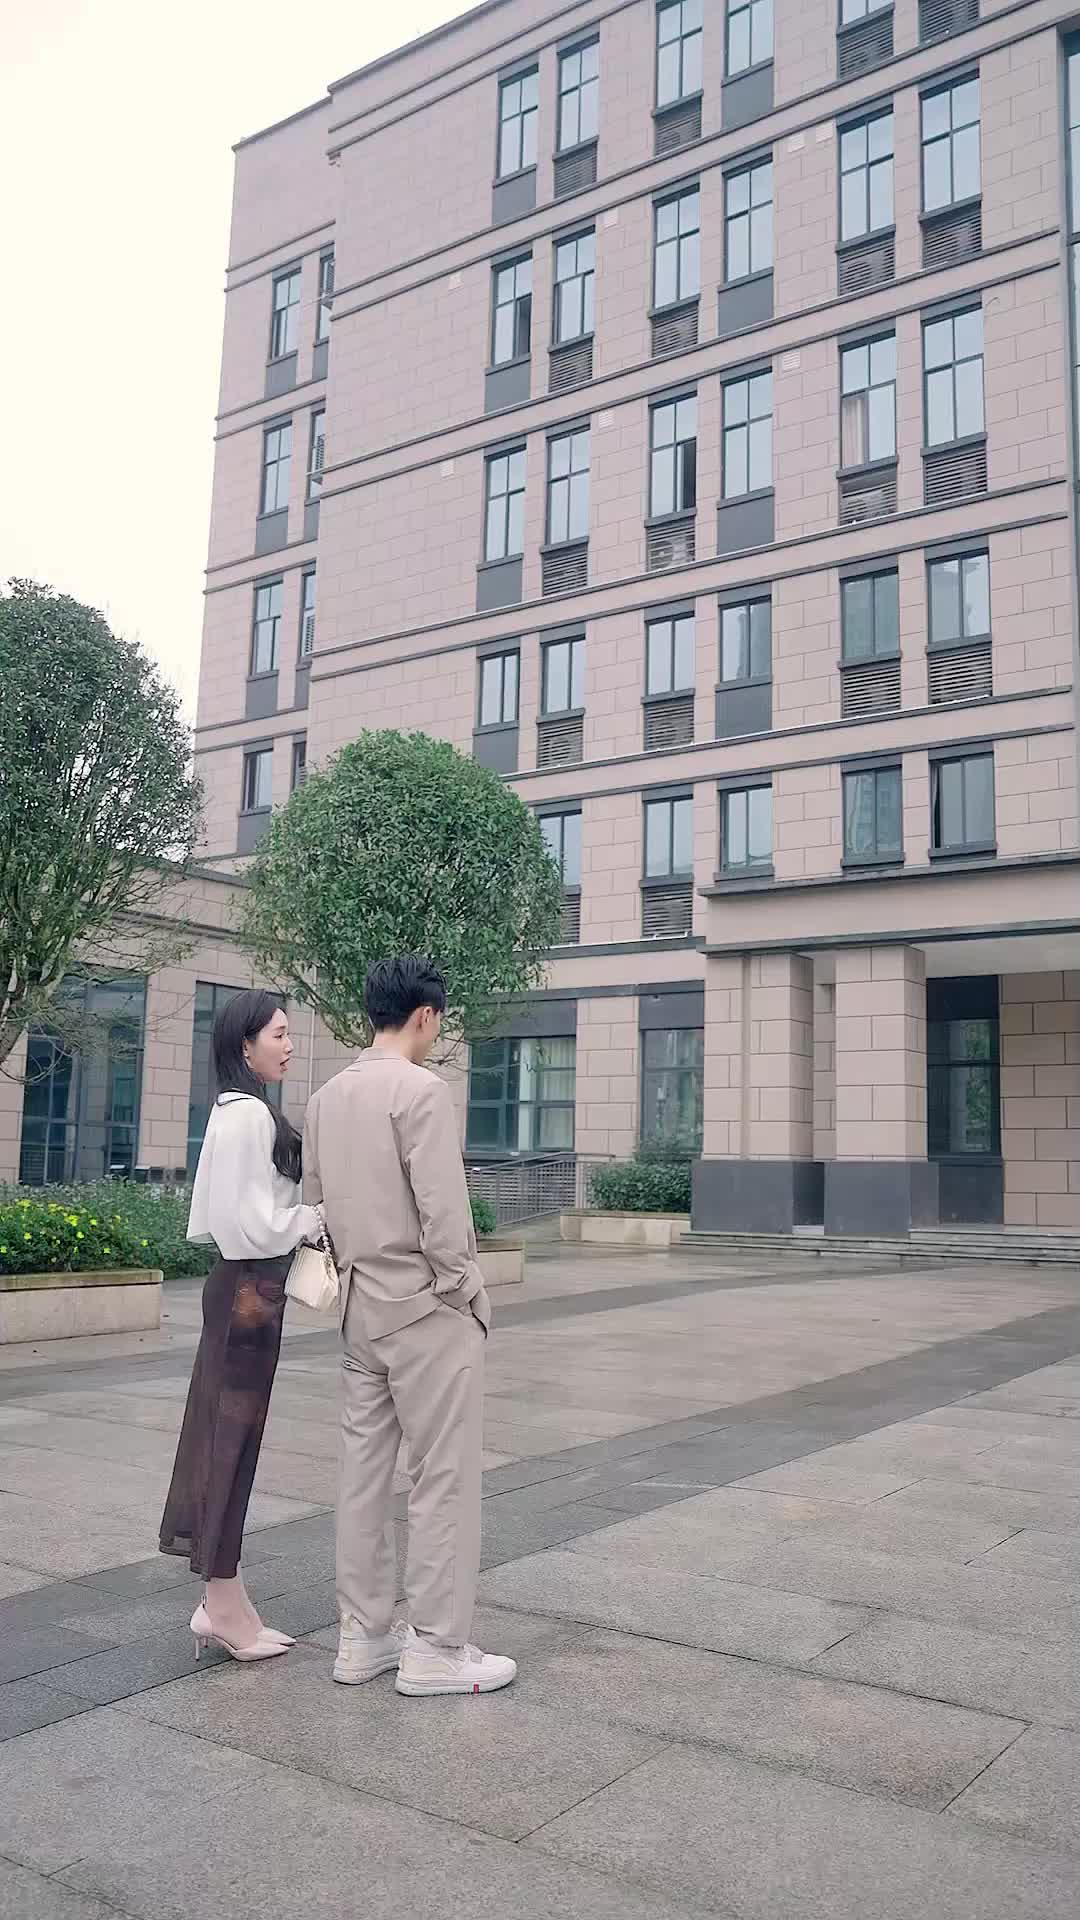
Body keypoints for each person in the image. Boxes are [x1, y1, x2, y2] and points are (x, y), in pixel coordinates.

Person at [304, 954, 516, 1698]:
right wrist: (466, 1293)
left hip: (358, 1308)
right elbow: (444, 1214)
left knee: (363, 1476)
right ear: (425, 1015)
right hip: (424, 1308)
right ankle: (435, 1647)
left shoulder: (326, 1098)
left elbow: (316, 1207)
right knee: (442, 1476)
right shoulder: (421, 1091)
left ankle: (362, 1637)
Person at [160, 988, 324, 1662]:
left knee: (226, 1442)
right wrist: (311, 1219)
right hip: (247, 1293)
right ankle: (222, 1604)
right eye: (278, 1034)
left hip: (245, 1291)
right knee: (227, 1445)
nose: (289, 1045)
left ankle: (227, 1599)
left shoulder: (239, 1110)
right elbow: (249, 1224)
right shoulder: (247, 1115)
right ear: (245, 1044)